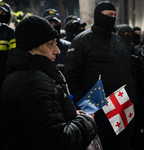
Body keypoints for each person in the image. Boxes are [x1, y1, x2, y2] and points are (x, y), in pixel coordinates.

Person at [1, 15, 96, 149]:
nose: (57, 51)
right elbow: (58, 140)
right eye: (50, 44)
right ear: (31, 47)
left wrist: (71, 114)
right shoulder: (35, 84)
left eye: (56, 43)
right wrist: (87, 121)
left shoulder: (17, 76)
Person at [64, 1, 137, 150]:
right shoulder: (81, 41)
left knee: (121, 145)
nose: (113, 18)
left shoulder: (119, 42)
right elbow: (72, 76)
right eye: (109, 15)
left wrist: (132, 99)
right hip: (95, 109)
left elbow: (128, 73)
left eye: (115, 15)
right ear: (98, 16)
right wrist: (83, 107)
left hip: (121, 106)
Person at [0, 2, 16, 149]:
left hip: (4, 81)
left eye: (4, 12)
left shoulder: (9, 33)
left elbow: (14, 58)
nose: (1, 14)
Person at [42, 8, 71, 74]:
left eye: (56, 23)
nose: (53, 25)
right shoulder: (38, 47)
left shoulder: (68, 46)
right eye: (50, 23)